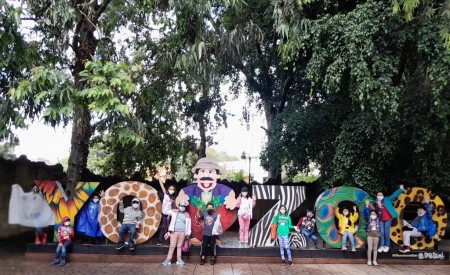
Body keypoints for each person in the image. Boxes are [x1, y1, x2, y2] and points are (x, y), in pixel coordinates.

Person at [374, 184, 405, 253]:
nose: (379, 196)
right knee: (381, 232)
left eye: (381, 194)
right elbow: (375, 211)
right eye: (378, 195)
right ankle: (381, 245)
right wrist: (377, 205)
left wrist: (400, 189)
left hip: (387, 219)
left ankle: (387, 246)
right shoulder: (376, 202)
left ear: (383, 195)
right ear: (377, 196)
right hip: (380, 219)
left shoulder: (387, 199)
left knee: (386, 232)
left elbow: (394, 195)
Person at [162, 200, 191, 266]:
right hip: (174, 232)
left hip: (183, 233)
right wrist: (169, 203)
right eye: (181, 206)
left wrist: (188, 234)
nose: (182, 207)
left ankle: (179, 259)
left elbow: (189, 225)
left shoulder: (187, 214)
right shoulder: (174, 211)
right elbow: (165, 211)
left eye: (183, 206)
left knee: (179, 246)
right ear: (179, 206)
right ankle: (168, 259)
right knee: (172, 246)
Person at [158, 173, 177, 246]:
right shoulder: (165, 194)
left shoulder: (174, 198)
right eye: (170, 189)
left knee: (170, 227)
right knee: (163, 226)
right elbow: (162, 186)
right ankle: (160, 240)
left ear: (174, 190)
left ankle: (170, 241)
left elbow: (173, 207)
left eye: (172, 189)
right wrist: (159, 178)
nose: (171, 190)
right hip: (164, 213)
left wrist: (170, 215)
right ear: (168, 189)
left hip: (170, 213)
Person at [364, 200, 381, 266]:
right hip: (370, 235)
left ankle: (374, 260)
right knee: (370, 248)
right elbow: (367, 212)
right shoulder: (369, 219)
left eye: (374, 214)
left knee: (375, 249)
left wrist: (379, 206)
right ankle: (369, 260)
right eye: (372, 214)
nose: (373, 215)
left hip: (376, 235)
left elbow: (380, 212)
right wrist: (367, 205)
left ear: (376, 215)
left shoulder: (378, 219)